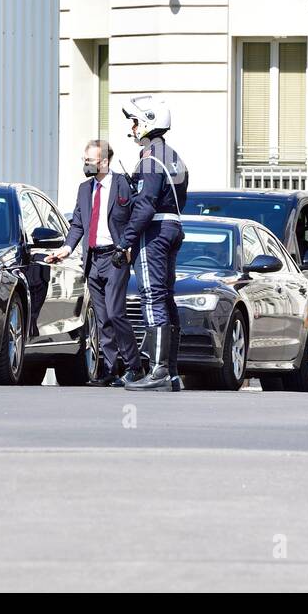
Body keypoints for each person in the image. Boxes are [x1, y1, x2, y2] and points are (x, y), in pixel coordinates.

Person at [48, 140, 136, 386]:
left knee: (116, 313)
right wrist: (66, 249)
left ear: (104, 162)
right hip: (93, 259)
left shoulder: (122, 186)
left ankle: (134, 367)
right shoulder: (84, 189)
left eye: (90, 160)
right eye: (84, 160)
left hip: (116, 258)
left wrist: (129, 246)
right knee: (102, 317)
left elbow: (135, 219)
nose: (86, 164)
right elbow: (78, 223)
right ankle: (110, 371)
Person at [117, 95, 189, 392]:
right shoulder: (173, 155)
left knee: (152, 296)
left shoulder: (150, 158)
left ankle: (158, 371)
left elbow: (145, 205)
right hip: (173, 226)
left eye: (135, 121)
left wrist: (125, 241)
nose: (132, 127)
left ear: (148, 121)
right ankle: (171, 372)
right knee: (165, 296)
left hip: (155, 230)